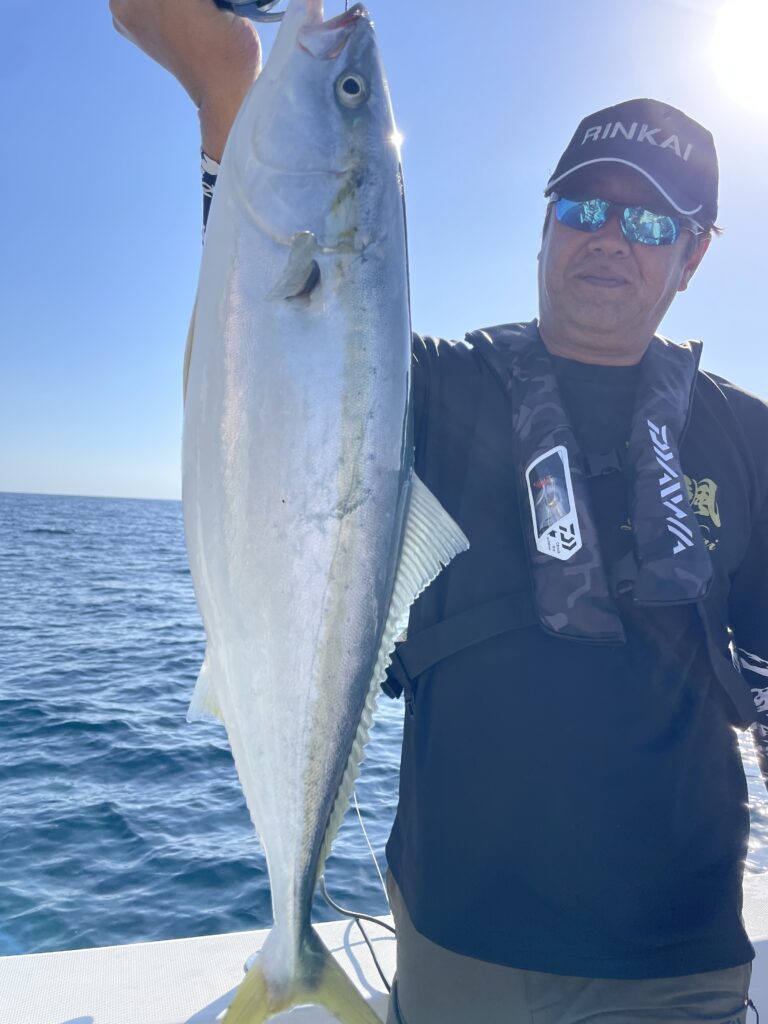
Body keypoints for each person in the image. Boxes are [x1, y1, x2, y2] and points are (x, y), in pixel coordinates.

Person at [111, 2, 768, 1021]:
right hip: (459, 953)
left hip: (680, 970)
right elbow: (283, 333)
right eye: (584, 206)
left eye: (650, 222)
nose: (609, 237)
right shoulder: (420, 392)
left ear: (693, 256)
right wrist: (224, 97)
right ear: (543, 219)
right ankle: (293, 943)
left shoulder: (751, 440)